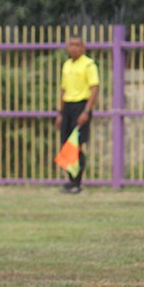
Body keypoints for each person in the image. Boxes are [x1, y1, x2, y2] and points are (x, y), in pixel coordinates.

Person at [54, 35, 99, 193]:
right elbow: (63, 89)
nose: (74, 48)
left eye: (77, 45)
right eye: (71, 45)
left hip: (81, 105)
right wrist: (60, 112)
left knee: (77, 145)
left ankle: (77, 183)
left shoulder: (89, 65)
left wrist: (87, 110)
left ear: (83, 47)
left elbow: (94, 88)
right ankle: (70, 180)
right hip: (68, 106)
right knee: (66, 145)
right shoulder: (66, 65)